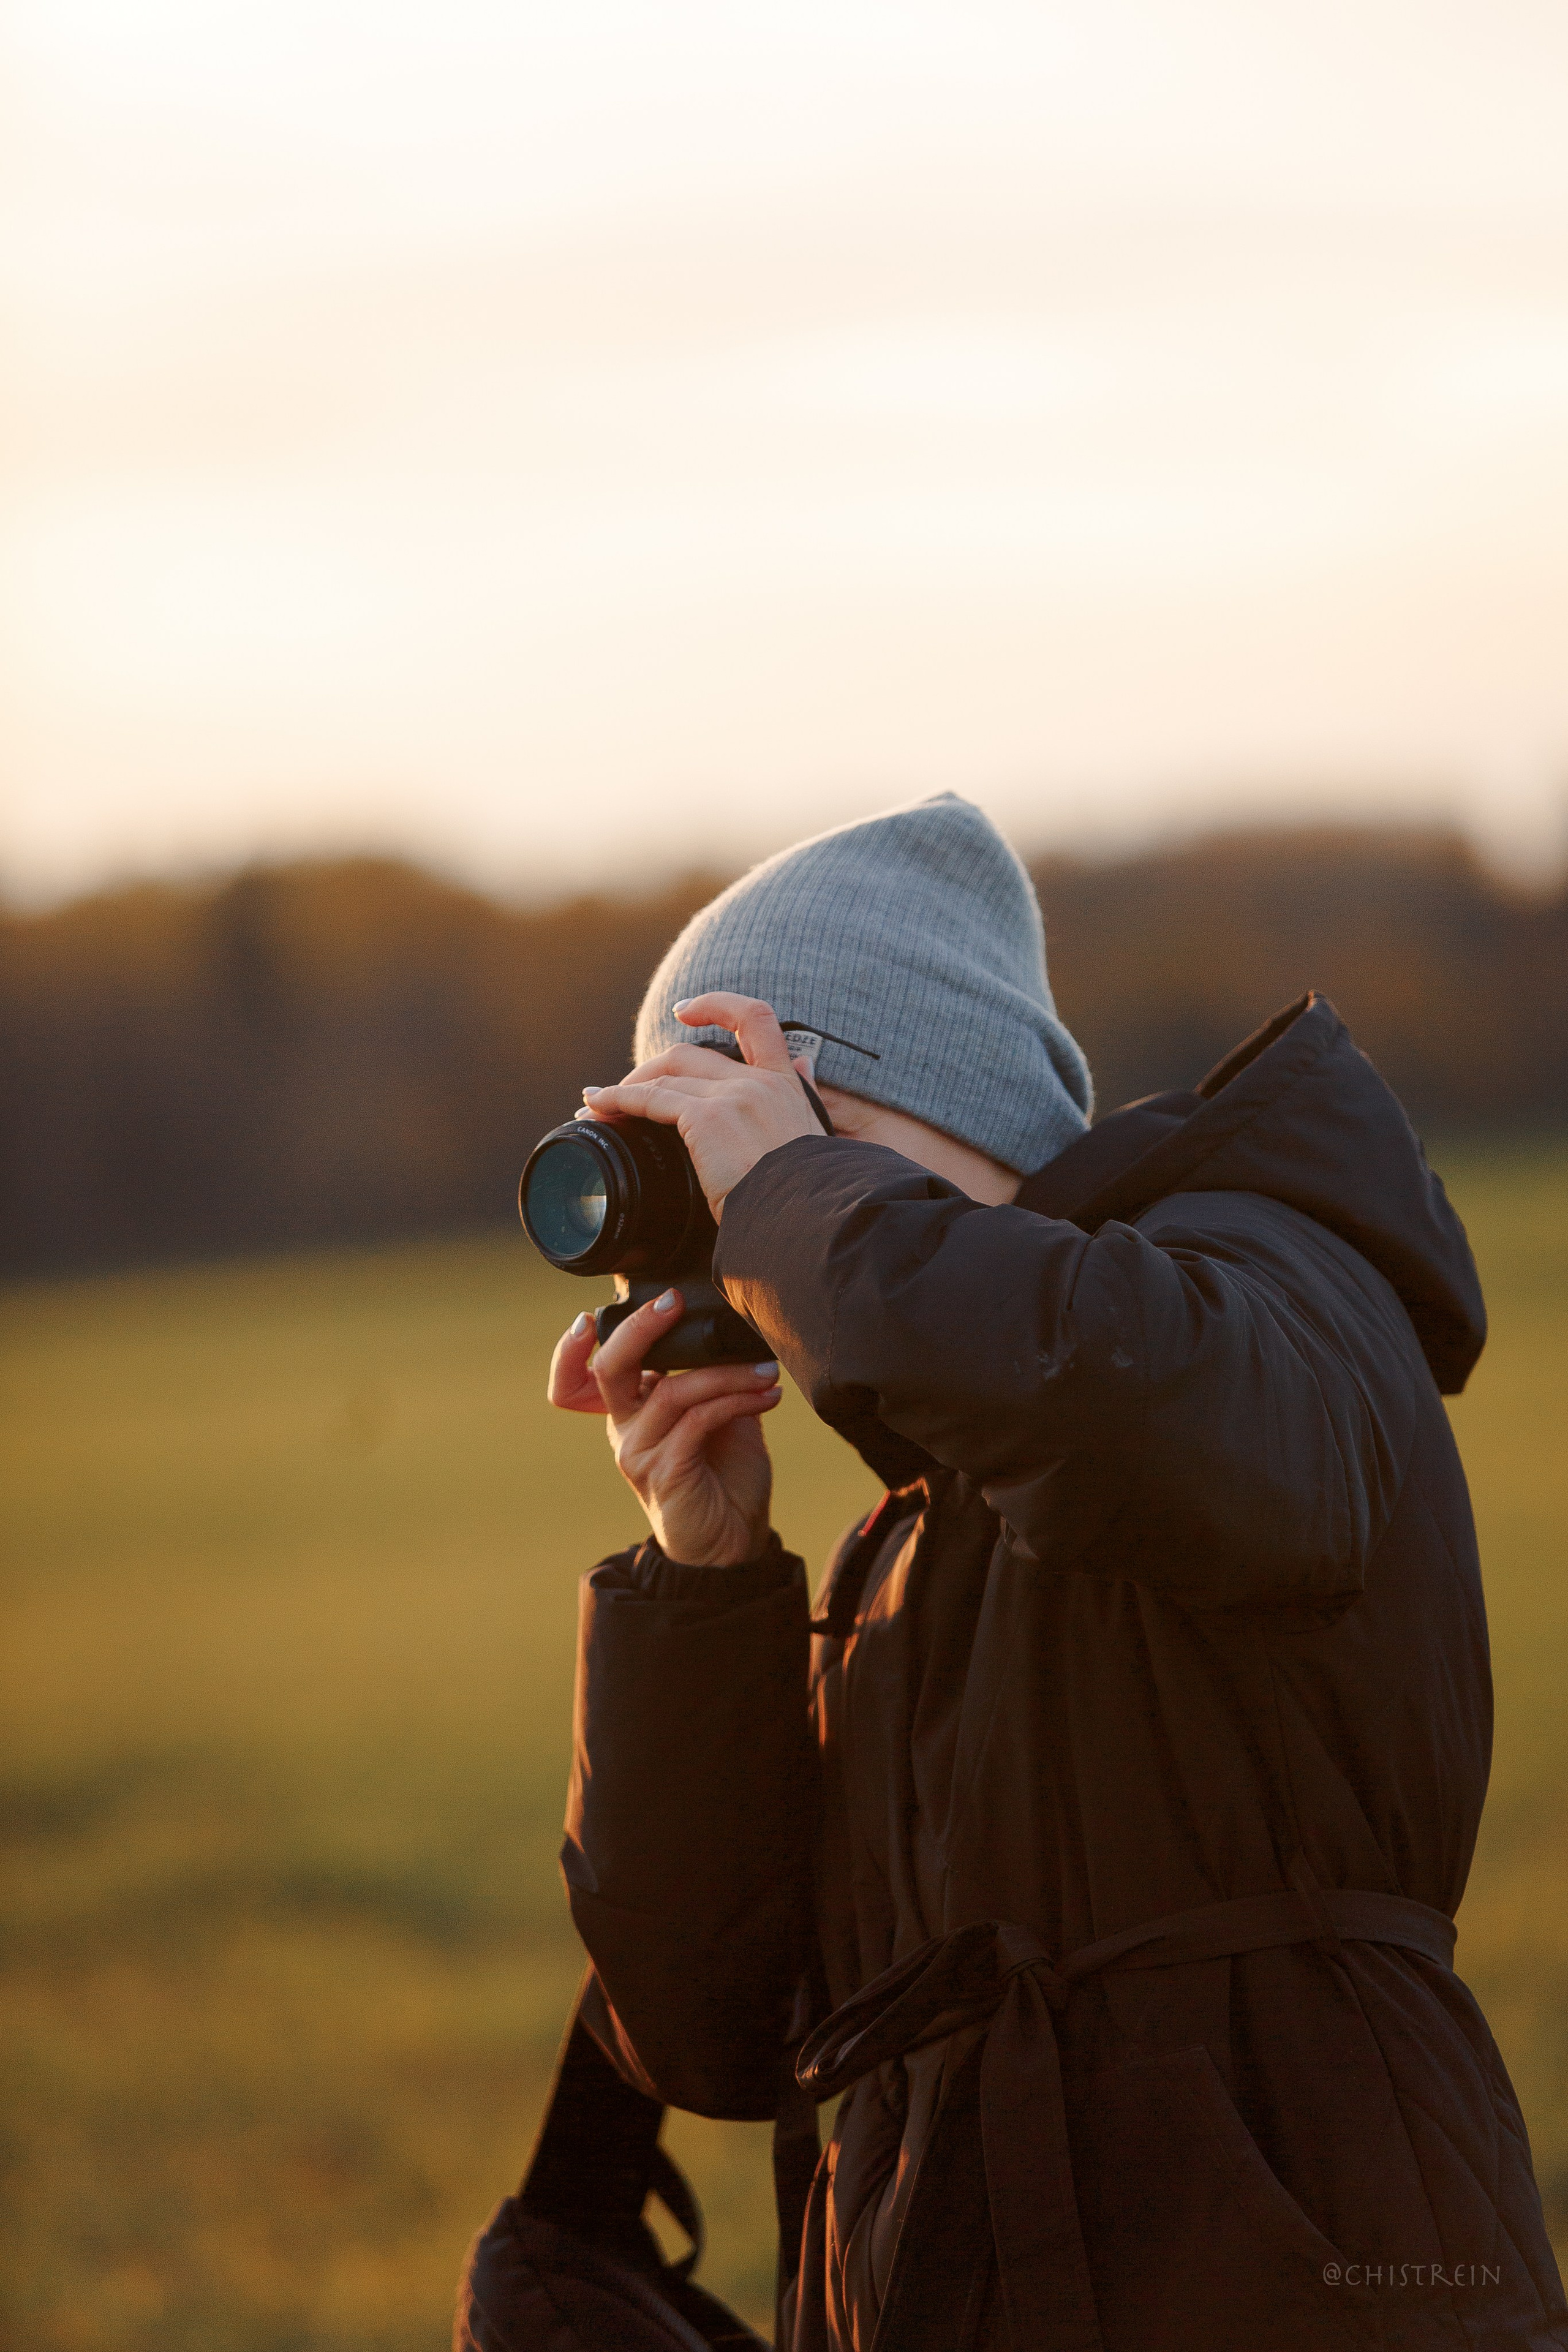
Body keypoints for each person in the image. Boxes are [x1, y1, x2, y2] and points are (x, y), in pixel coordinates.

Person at [545, 794, 1566, 2351]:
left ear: (943, 1099)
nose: (747, 1214)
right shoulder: (916, 1535)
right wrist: (706, 1568)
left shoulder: (1280, 1273)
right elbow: (714, 2033)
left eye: (763, 1132)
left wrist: (803, 1205)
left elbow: (1159, 1428)